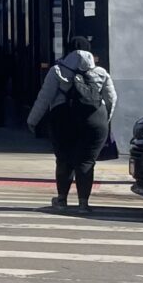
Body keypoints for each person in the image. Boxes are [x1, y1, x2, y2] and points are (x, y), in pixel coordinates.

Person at [27, 35, 117, 212]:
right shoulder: (100, 72)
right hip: (94, 119)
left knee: (64, 160)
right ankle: (84, 203)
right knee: (86, 161)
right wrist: (104, 119)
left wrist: (32, 120)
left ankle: (61, 200)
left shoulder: (57, 71)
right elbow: (112, 98)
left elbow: (44, 98)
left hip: (63, 119)